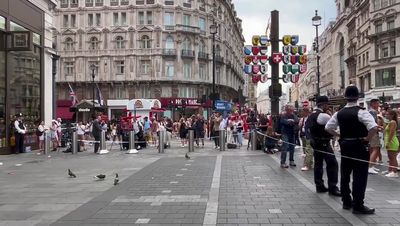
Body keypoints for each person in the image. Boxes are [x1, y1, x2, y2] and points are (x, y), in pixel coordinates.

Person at [325, 85, 378, 215]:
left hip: (345, 145)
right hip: (359, 145)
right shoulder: (362, 112)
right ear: (358, 97)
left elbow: (328, 127)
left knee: (345, 174)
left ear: (345, 97)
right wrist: (367, 139)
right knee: (360, 175)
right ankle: (358, 204)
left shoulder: (339, 113)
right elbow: (373, 127)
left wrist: (339, 135)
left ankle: (346, 201)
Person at [306, 96, 341, 196]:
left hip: (314, 141)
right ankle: (333, 187)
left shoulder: (312, 114)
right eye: (327, 104)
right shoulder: (323, 115)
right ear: (323, 105)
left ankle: (319, 185)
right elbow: (333, 127)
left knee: (318, 164)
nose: (328, 106)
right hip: (323, 142)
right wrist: (338, 135)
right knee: (333, 164)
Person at [382, 109, 399, 177]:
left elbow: (391, 133)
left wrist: (388, 142)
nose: (386, 115)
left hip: (392, 141)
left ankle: (394, 172)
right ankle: (390, 169)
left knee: (393, 157)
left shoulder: (393, 122)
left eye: (387, 114)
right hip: (390, 141)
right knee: (390, 157)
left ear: (391, 115)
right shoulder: (390, 122)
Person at [368, 98, 383, 174]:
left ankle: (371, 165)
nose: (378, 105)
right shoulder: (373, 111)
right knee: (376, 149)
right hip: (374, 132)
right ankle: (370, 167)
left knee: (372, 149)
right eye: (377, 103)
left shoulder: (370, 111)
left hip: (371, 132)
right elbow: (373, 124)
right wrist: (379, 128)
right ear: (373, 104)